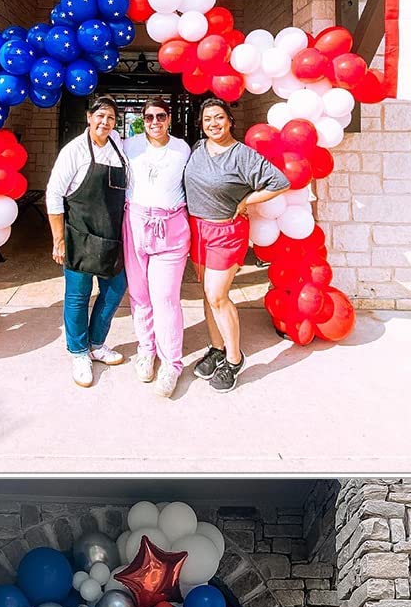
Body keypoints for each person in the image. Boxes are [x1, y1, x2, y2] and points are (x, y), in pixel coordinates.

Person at [183, 97, 289, 393]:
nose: (213, 124)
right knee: (207, 293)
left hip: (225, 232)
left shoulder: (243, 155)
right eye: (207, 120)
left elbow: (279, 182)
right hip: (197, 229)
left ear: (230, 121)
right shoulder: (197, 150)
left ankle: (233, 358)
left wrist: (246, 200)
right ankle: (217, 348)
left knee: (218, 295)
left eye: (219, 118)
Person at [46, 94, 129, 389]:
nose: (104, 122)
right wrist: (59, 240)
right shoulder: (74, 150)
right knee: (78, 296)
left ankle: (96, 343)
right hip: (79, 234)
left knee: (116, 289)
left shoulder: (119, 145)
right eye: (100, 116)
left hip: (111, 236)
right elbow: (54, 194)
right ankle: (79, 352)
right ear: (88, 117)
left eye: (110, 117)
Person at [123, 97, 192, 398]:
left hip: (171, 227)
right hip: (136, 223)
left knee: (165, 297)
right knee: (139, 295)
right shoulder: (128, 145)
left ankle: (171, 363)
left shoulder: (182, 149)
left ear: (169, 118)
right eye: (148, 117)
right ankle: (146, 350)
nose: (154, 122)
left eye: (160, 116)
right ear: (142, 119)